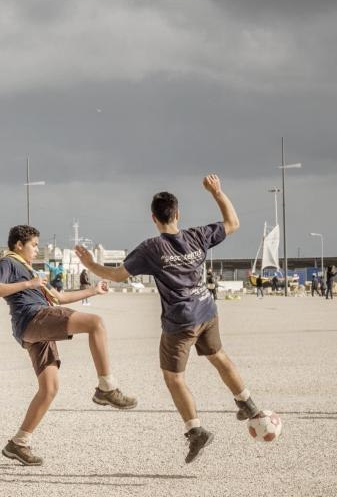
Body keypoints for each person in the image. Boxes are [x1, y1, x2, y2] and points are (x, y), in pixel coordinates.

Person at [77, 174, 266, 465]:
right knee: (218, 356)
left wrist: (89, 264)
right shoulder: (196, 236)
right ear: (178, 214)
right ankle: (247, 403)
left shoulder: (152, 248)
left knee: (174, 377)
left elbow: (116, 275)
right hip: (207, 310)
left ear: (153, 217)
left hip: (181, 321)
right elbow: (233, 223)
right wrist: (217, 192)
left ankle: (195, 431)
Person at [0, 224, 136, 466]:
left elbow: (59, 298)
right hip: (33, 318)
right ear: (19, 245)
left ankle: (18, 443)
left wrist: (93, 290)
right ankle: (106, 388)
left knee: (49, 388)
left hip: (36, 329)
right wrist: (28, 285)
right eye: (34, 245)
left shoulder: (28, 269)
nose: (37, 250)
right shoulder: (10, 262)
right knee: (96, 323)